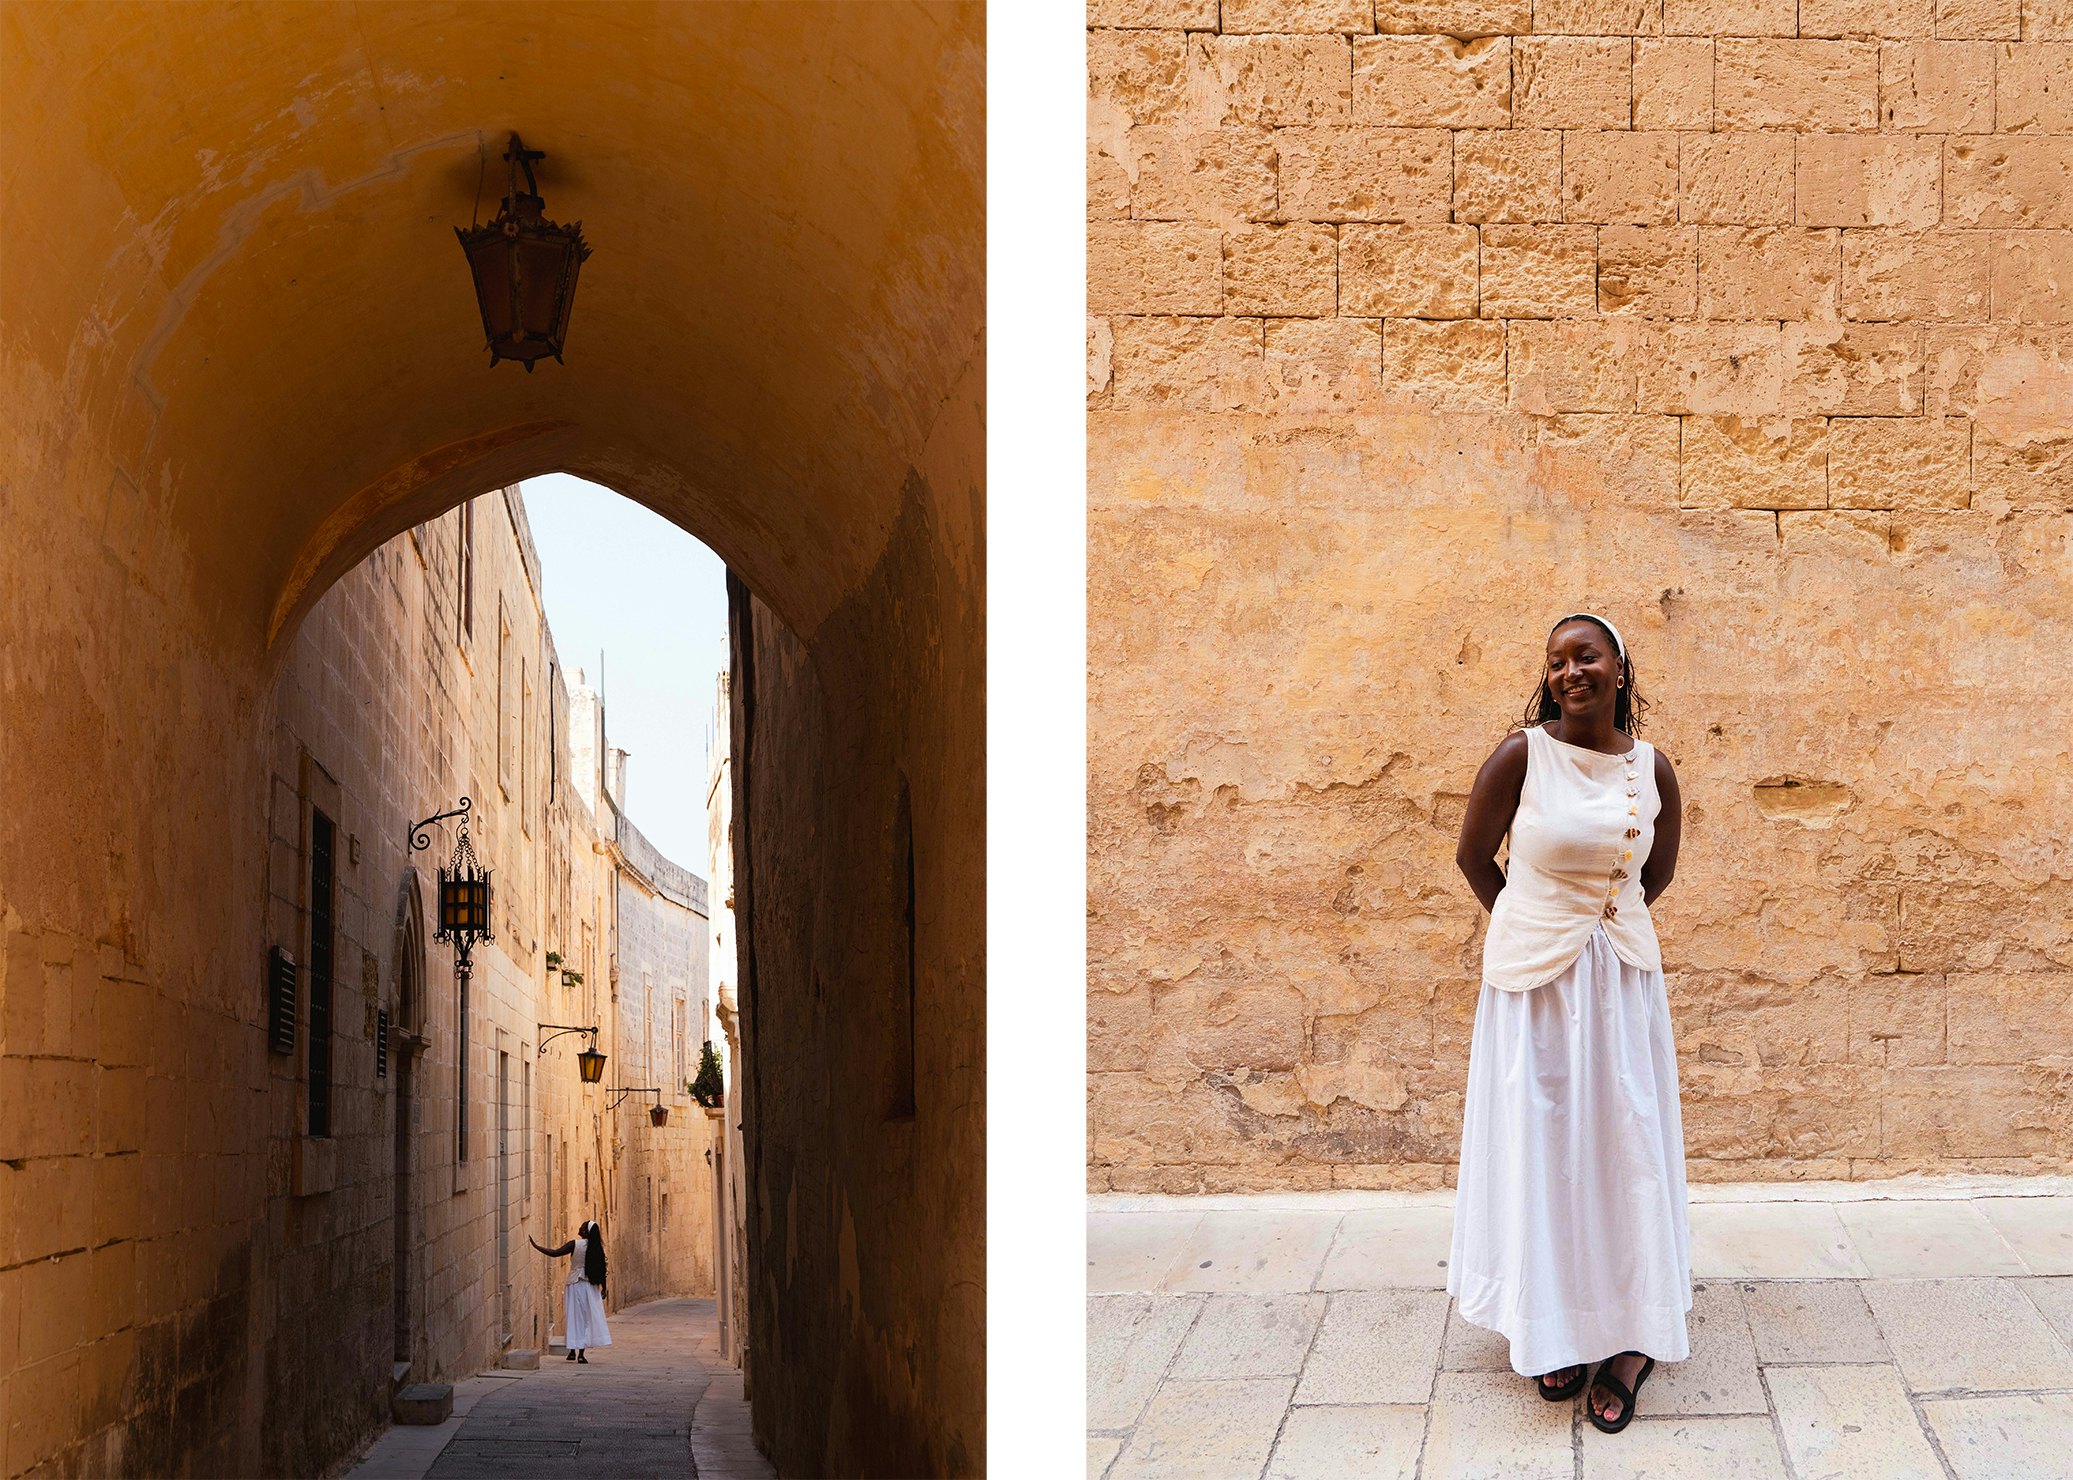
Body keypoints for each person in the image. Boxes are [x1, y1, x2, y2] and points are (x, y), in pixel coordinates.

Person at [1447, 613, 1691, 1434]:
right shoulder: (1522, 754)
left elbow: (1654, 873)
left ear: (1620, 668)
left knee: (1626, 1146)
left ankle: (1632, 1336)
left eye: (1584, 656)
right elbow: (1473, 858)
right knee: (1543, 1147)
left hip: (1618, 981)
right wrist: (1534, 926)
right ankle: (1550, 1322)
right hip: (1535, 988)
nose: (1567, 671)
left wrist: (1596, 929)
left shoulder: (1653, 767)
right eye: (1555, 661)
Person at [531, 1219, 612, 1363]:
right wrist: (604, 1288)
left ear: (585, 1231)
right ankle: (580, 1353)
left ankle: (572, 1351)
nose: (579, 1227)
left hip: (575, 1284)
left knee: (573, 1316)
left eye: (582, 1226)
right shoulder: (597, 1248)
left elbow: (555, 1253)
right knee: (585, 1319)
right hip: (590, 1287)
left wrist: (537, 1247)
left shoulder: (575, 1244)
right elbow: (602, 1270)